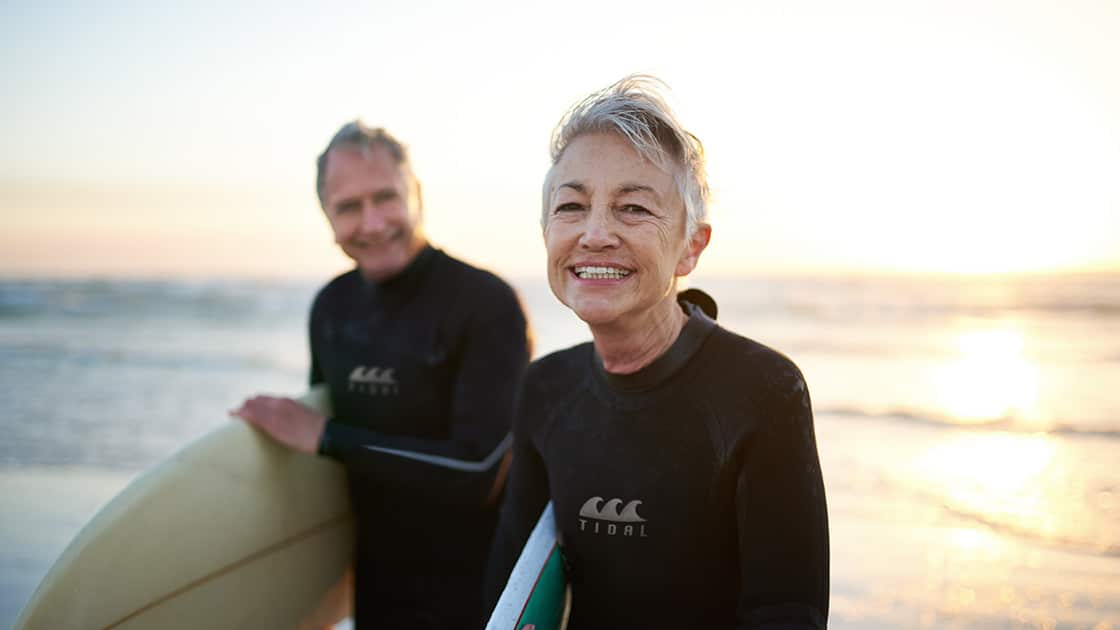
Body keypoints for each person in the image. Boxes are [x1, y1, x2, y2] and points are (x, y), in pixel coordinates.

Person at [485, 76, 829, 628]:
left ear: (690, 248)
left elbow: (787, 613)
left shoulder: (764, 391)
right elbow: (511, 588)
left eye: (634, 209)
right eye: (571, 205)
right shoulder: (546, 388)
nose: (595, 234)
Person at [232, 122, 530, 629]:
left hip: (476, 595)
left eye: (385, 198)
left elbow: (479, 471)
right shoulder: (332, 309)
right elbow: (328, 481)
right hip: (375, 597)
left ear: (416, 194)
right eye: (348, 207)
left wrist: (324, 436)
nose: (371, 224)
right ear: (326, 215)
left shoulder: (484, 304)